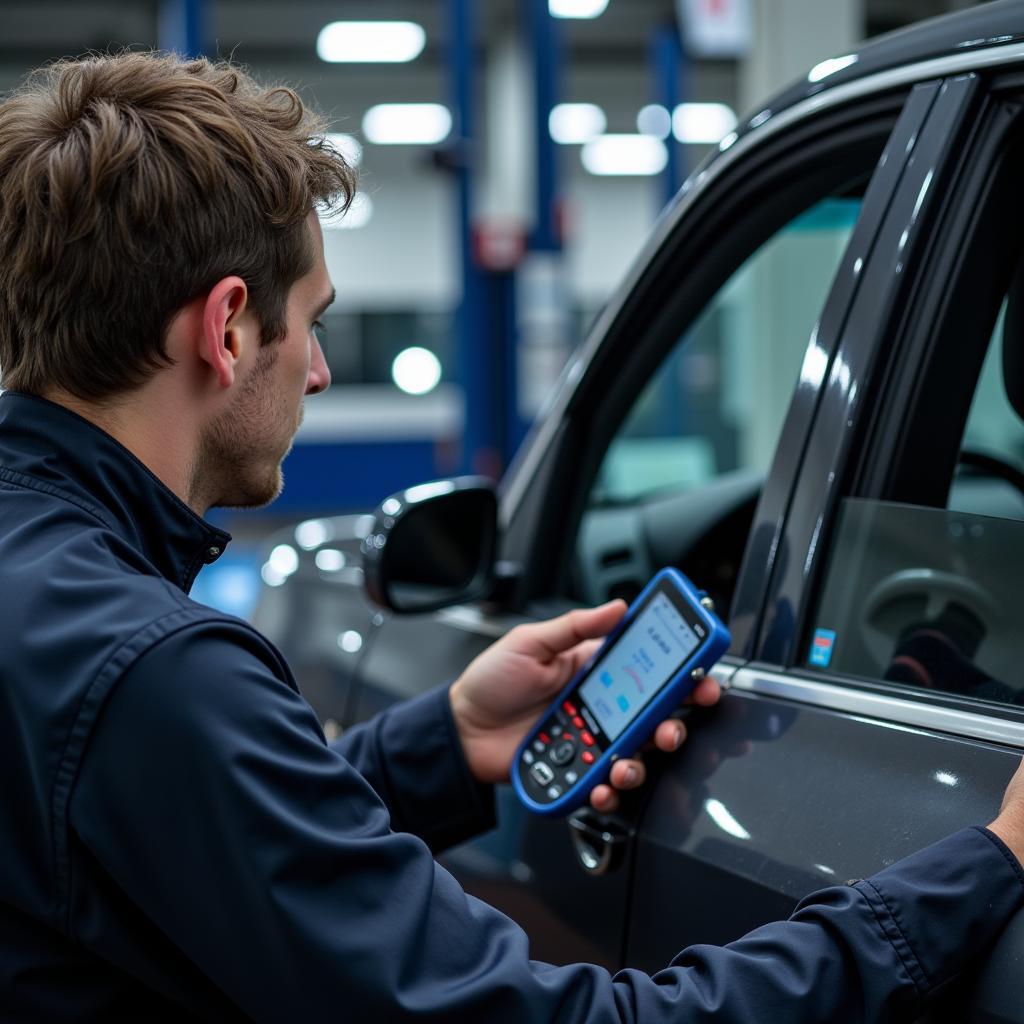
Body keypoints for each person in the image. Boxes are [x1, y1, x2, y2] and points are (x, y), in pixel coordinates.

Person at [0, 51, 1021, 1023]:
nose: (315, 370)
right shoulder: (156, 676)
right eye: (312, 321)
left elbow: (158, 850)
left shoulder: (56, 606)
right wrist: (987, 863)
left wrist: (445, 741)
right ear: (226, 329)